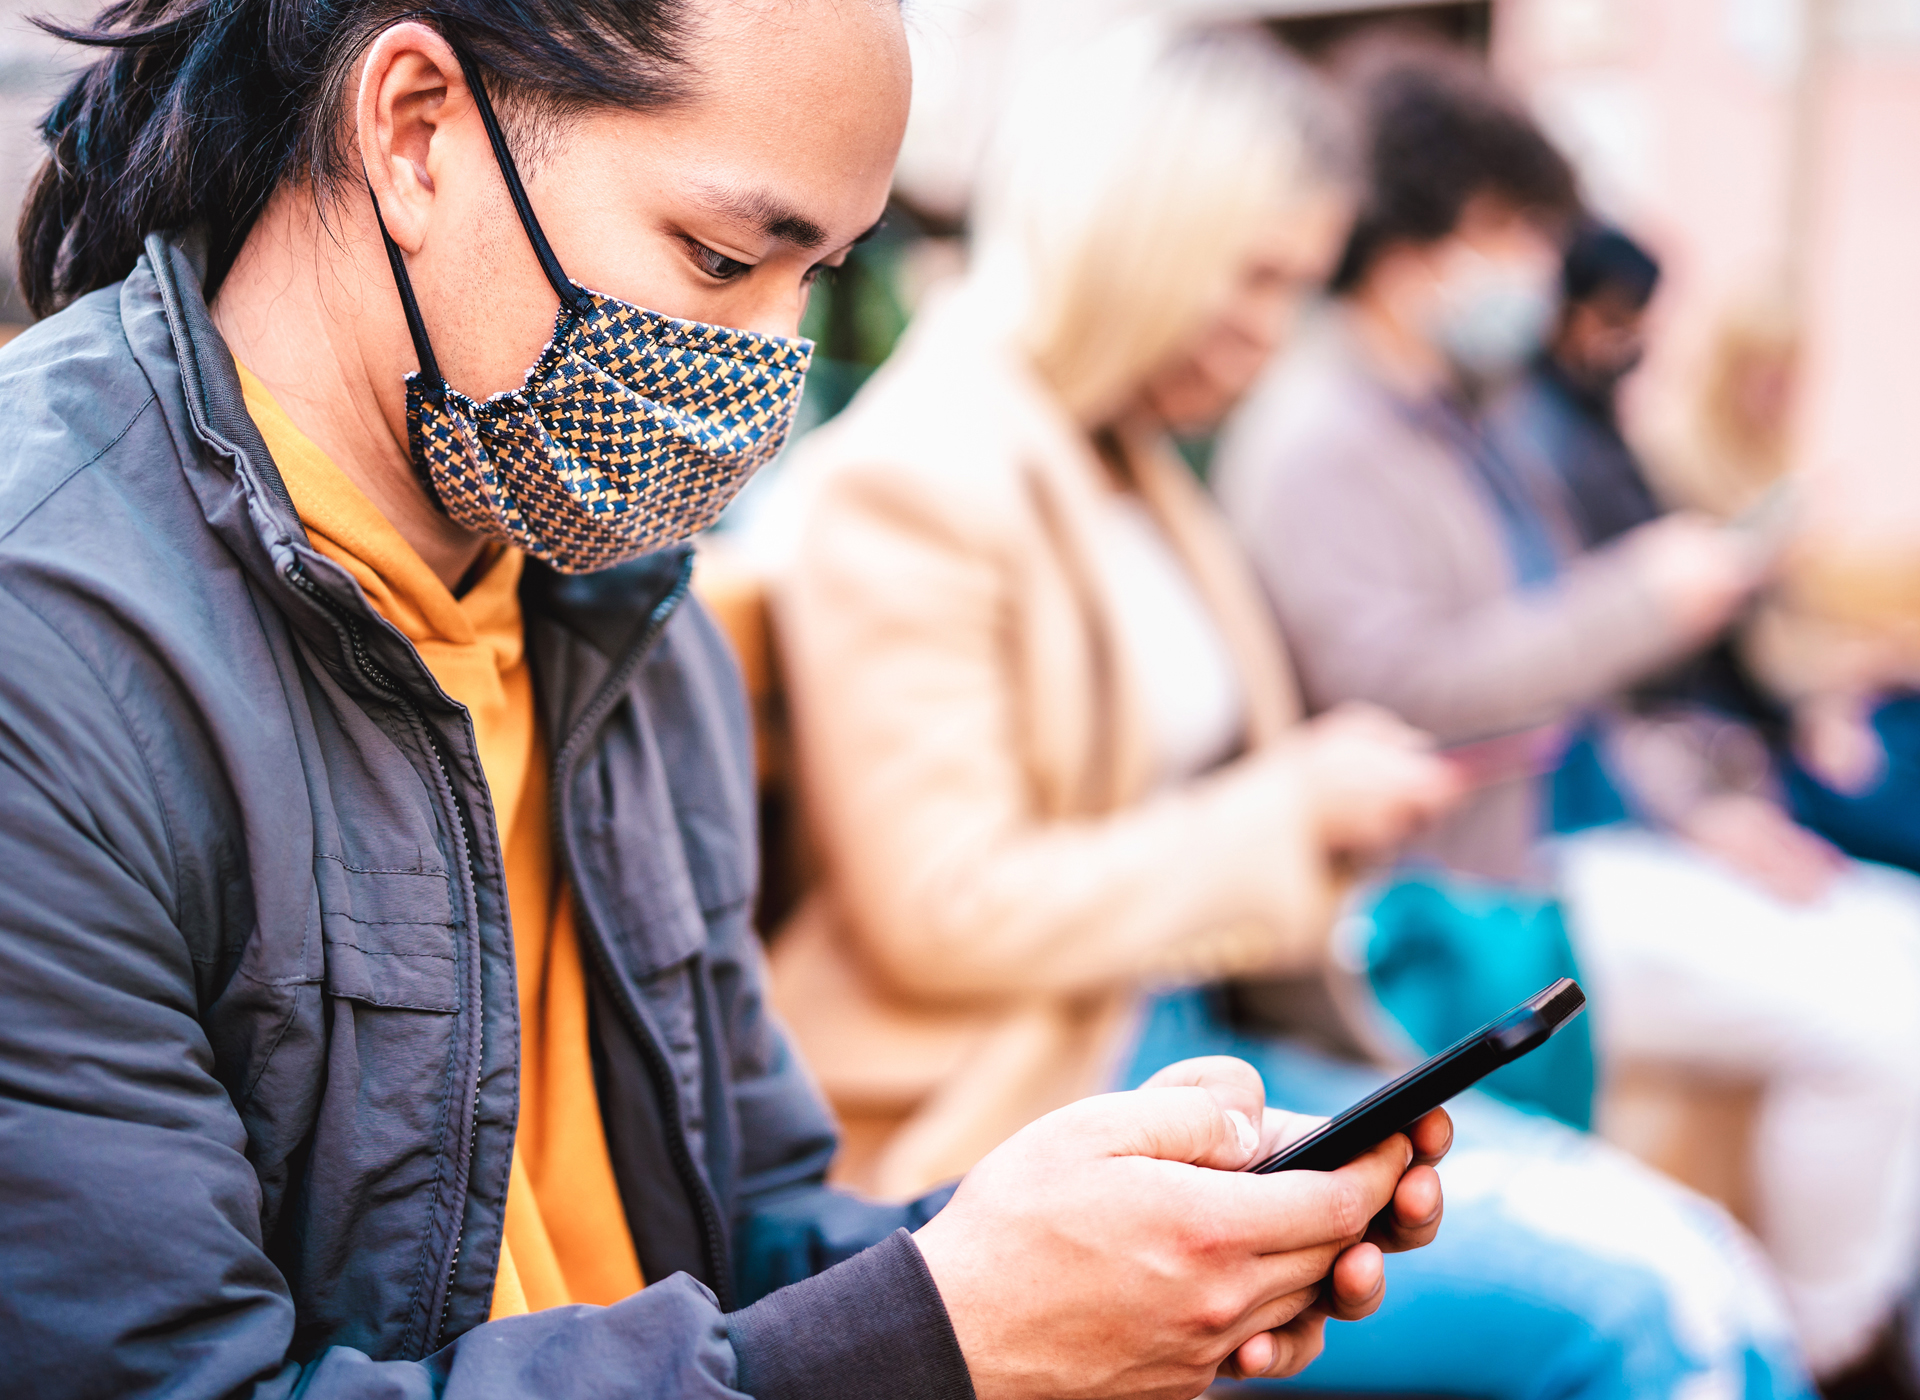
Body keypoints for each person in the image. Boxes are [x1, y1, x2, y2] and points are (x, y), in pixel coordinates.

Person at [0, 3, 1458, 1397]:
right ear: (417, 130)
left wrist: (1078, 1265)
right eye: (719, 259)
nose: (771, 359)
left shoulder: (615, 605)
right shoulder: (46, 644)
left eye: (816, 273)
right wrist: (935, 1344)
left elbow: (736, 1229)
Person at [762, 21, 1811, 1398]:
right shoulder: (921, 480)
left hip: (1193, 1057)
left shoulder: (1124, 461)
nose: (1267, 337)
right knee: (1659, 1307)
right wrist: (1287, 808)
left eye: (1296, 291)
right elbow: (948, 906)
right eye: (1250, 280)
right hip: (1032, 1116)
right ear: (1144, 235)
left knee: (1700, 1271)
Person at [1213, 40, 1920, 1380]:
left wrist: (1706, 810)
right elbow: (1410, 698)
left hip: (1552, 844)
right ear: (1422, 237)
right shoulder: (1320, 437)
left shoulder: (1465, 420)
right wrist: (1649, 600)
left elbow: (1572, 687)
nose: (1535, 271)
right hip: (1466, 897)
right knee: (1883, 1025)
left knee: (1898, 937)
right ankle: (1834, 1348)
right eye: (1515, 233)